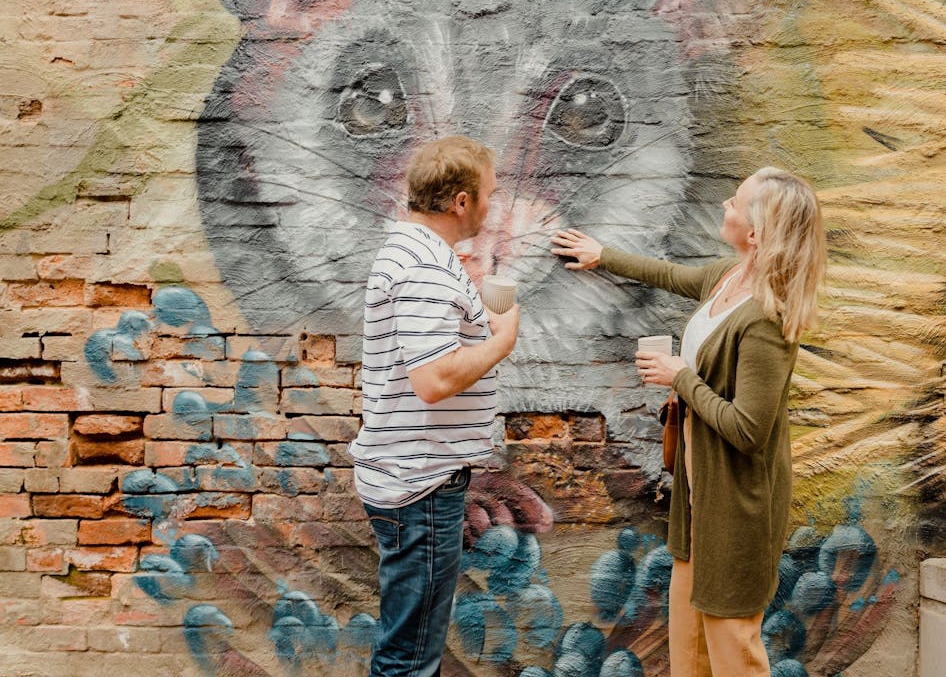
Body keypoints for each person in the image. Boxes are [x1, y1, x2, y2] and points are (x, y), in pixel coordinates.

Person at [550, 167, 825, 677]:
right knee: (689, 641)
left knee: (732, 648)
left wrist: (682, 379)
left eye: (736, 202)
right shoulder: (727, 278)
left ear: (758, 231)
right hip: (699, 494)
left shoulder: (766, 317)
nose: (725, 203)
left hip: (738, 505)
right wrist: (602, 255)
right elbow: (669, 275)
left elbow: (749, 429)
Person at [351, 135, 520, 677]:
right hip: (419, 487)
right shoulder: (423, 266)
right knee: (410, 659)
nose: (492, 206)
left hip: (413, 479)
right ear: (461, 202)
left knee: (410, 647)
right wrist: (501, 340)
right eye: (488, 194)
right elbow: (433, 379)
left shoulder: (418, 256)